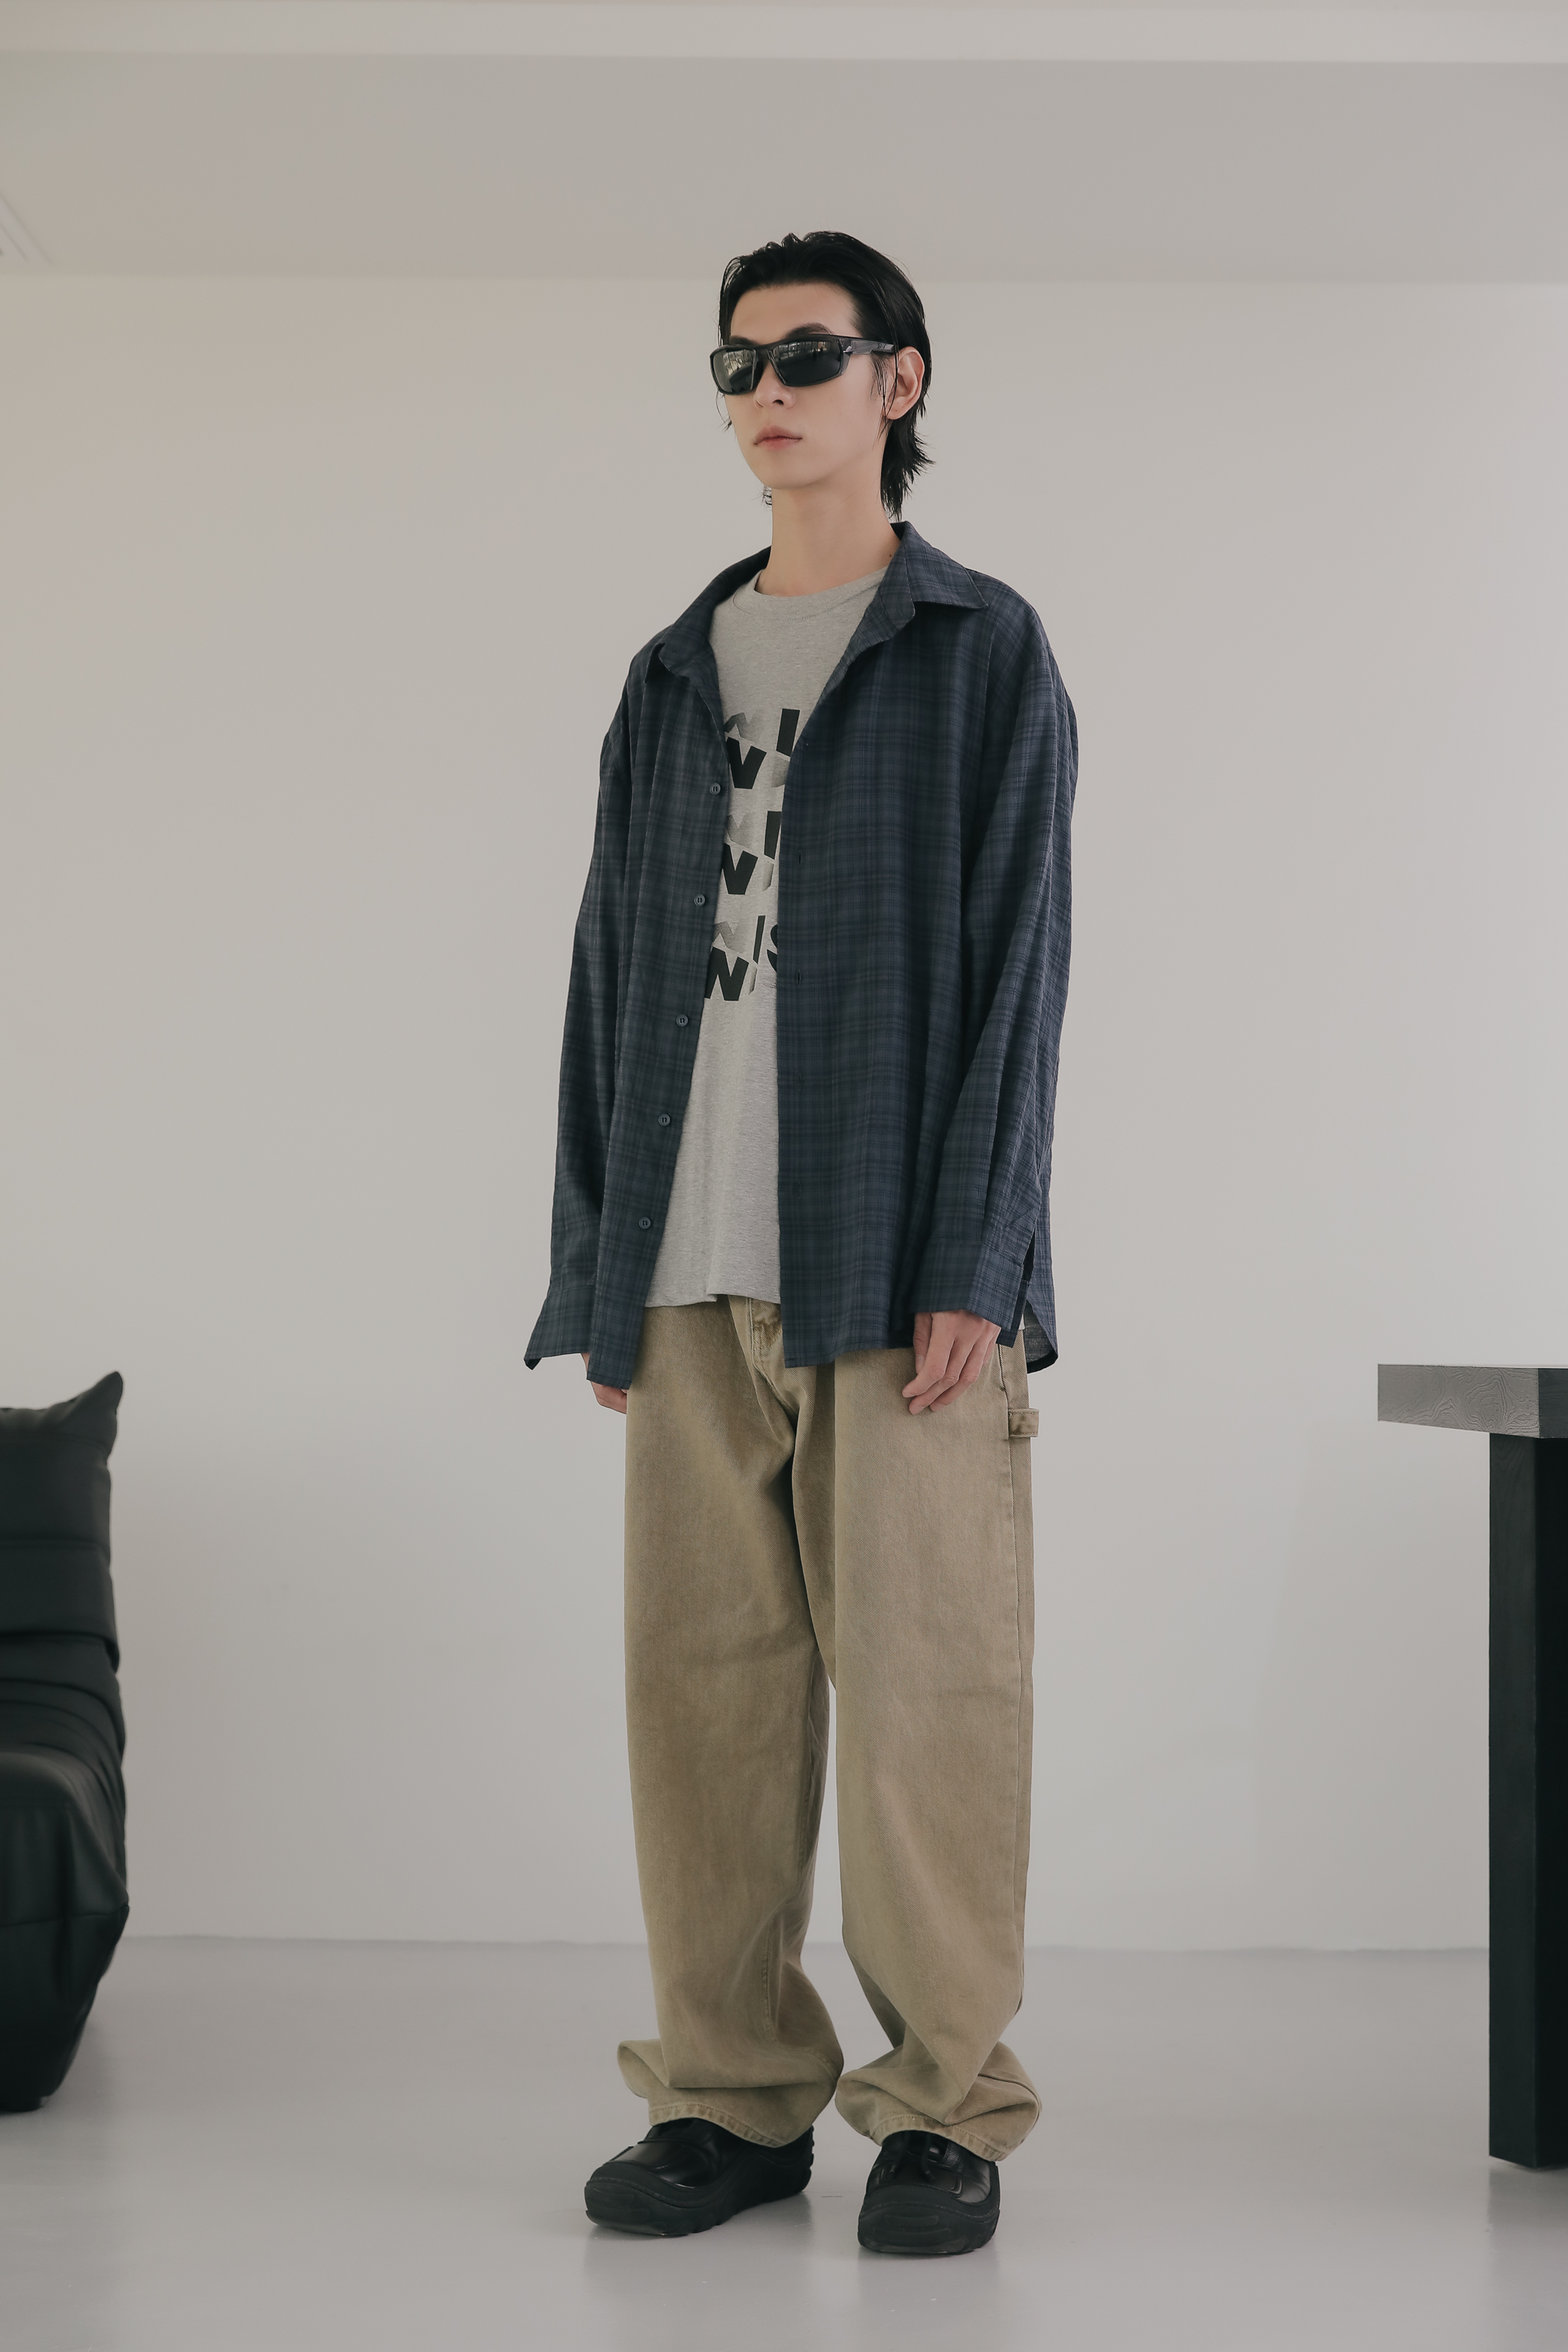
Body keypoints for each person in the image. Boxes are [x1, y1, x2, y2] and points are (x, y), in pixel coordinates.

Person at [526, 230, 1076, 2258]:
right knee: (703, 1699)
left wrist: (980, 1258)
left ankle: (943, 2107)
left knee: (931, 1692)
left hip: (895, 1265)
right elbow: (608, 973)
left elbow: (1023, 969)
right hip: (685, 1264)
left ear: (897, 384)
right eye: (738, 364)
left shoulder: (980, 647)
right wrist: (598, 1262)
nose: (767, 392)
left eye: (808, 356)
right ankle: (732, 2099)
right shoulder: (673, 668)